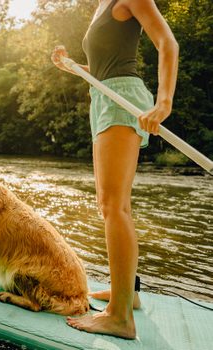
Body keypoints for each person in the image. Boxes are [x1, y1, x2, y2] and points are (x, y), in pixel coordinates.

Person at [51, 0, 179, 339]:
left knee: (114, 206)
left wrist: (163, 102)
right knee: (109, 205)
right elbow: (105, 68)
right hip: (103, 98)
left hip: (123, 99)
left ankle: (120, 316)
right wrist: (74, 67)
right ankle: (128, 292)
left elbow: (168, 43)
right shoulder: (101, 5)